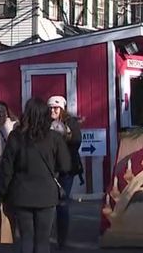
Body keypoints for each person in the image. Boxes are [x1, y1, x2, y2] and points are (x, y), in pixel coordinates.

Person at [0, 98, 70, 253]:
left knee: (26, 239)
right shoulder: (54, 138)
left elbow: (7, 168)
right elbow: (65, 166)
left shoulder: (15, 137)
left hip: (21, 193)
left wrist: (3, 193)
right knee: (43, 241)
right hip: (47, 194)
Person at [47, 96, 82, 248]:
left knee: (62, 202)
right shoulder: (45, 123)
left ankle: (62, 239)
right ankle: (46, 236)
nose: (53, 110)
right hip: (49, 168)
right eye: (50, 108)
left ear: (62, 108)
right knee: (48, 203)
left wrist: (65, 137)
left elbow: (76, 142)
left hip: (66, 169)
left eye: (56, 108)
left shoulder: (71, 123)